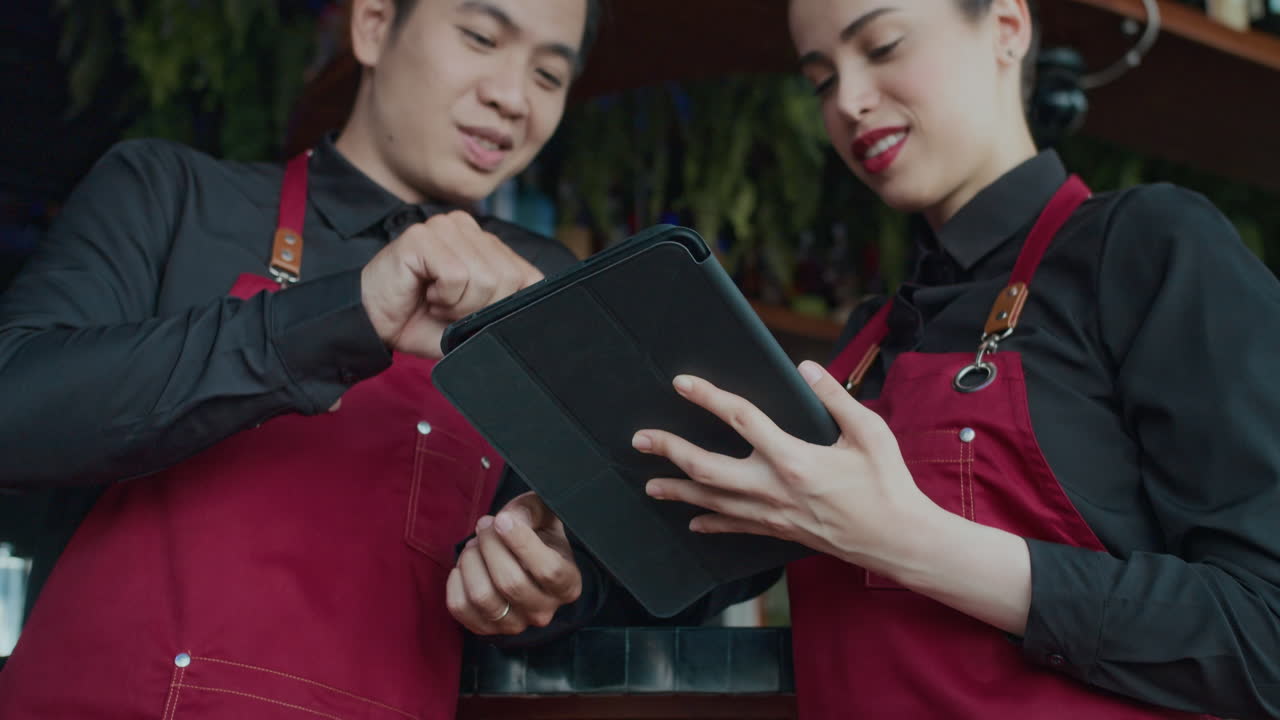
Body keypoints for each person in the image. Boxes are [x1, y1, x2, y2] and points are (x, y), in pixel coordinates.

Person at [0, 0, 773, 717]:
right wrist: (348, 313)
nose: (513, 97)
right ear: (373, 25)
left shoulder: (549, 289)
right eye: (481, 37)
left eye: (548, 74)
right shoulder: (172, 197)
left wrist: (562, 584)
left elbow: (698, 549)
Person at [630, 0, 1280, 717]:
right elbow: (691, 566)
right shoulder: (864, 343)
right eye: (821, 80)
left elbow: (1267, 636)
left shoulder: (1148, 249)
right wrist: (563, 565)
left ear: (1006, 27)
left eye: (883, 46)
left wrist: (910, 542)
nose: (848, 101)